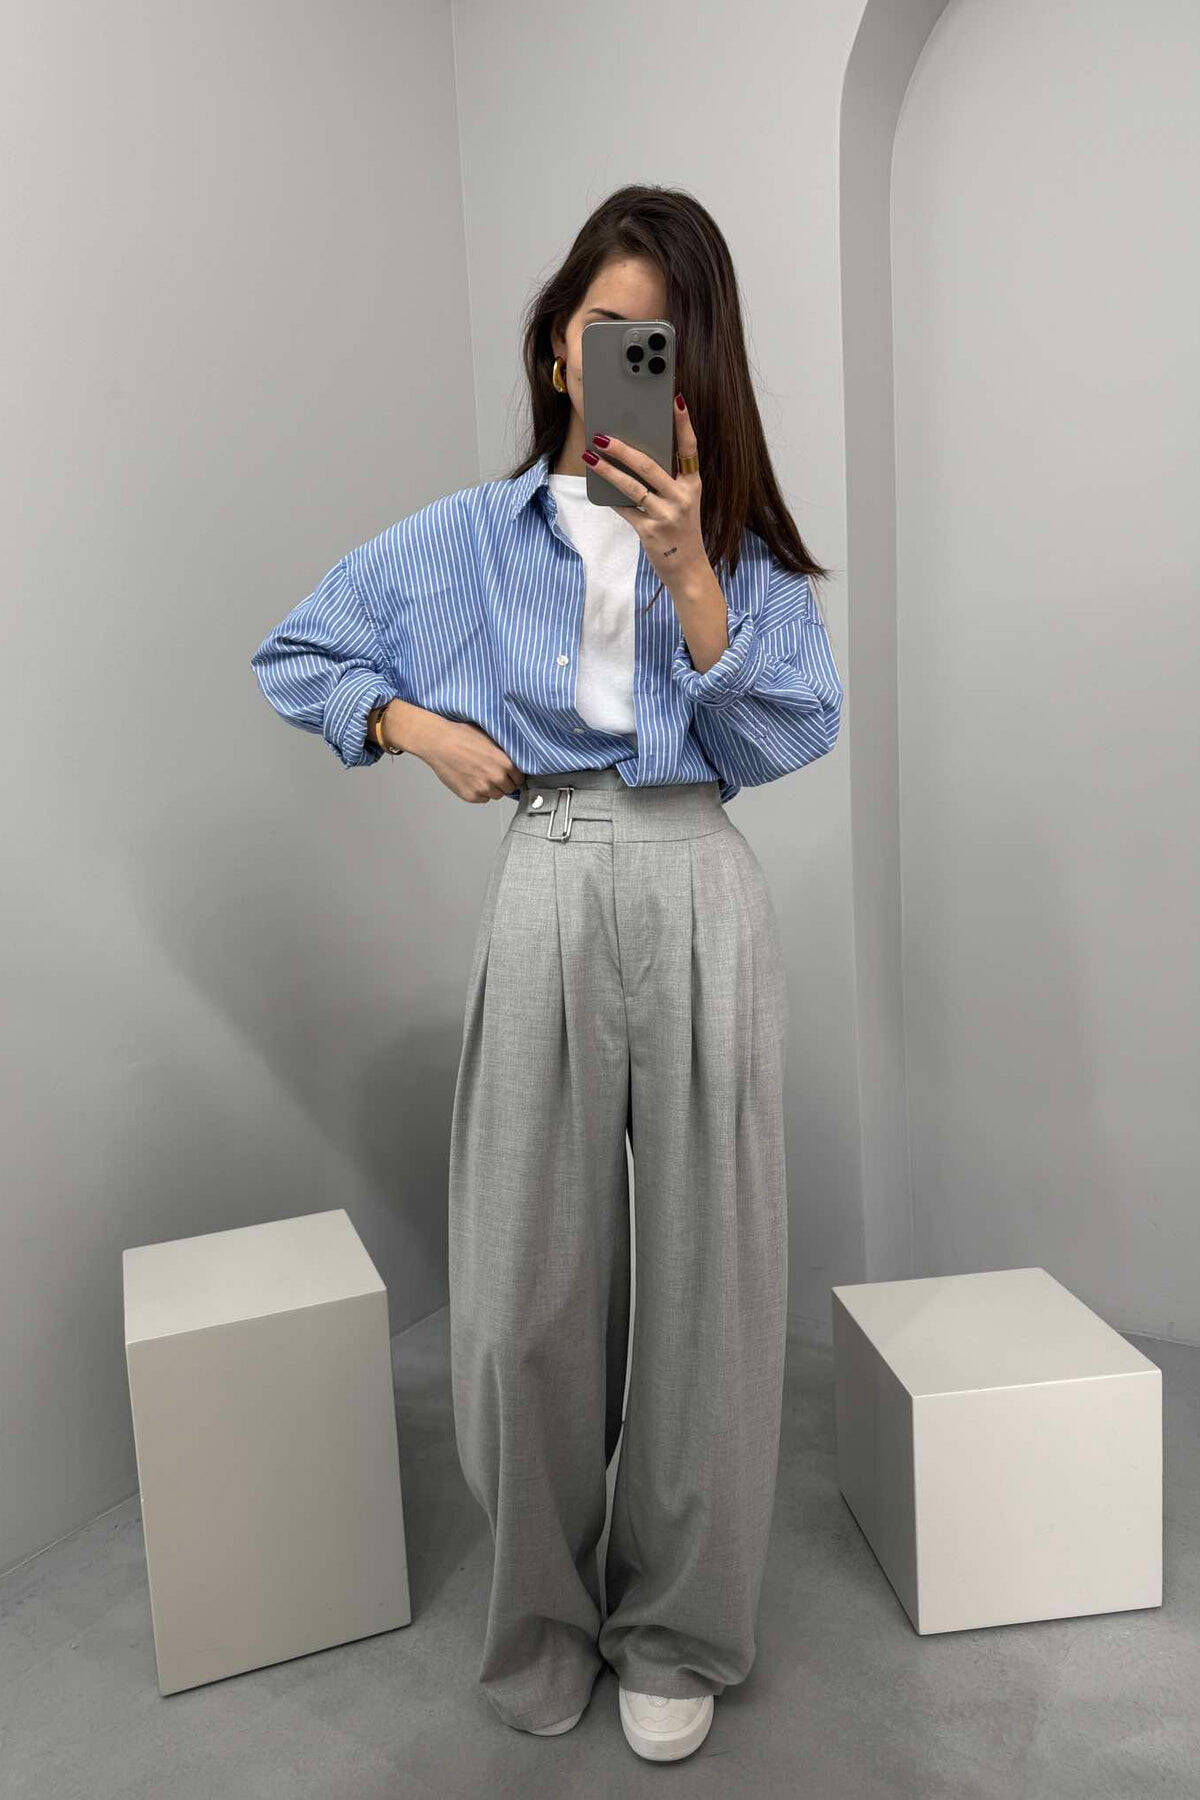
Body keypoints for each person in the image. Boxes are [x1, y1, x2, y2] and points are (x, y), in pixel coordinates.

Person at [250, 183, 843, 1763]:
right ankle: (541, 1618)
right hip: (552, 871)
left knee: (713, 1296)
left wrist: (691, 570)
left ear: (697, 366)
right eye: (606, 327)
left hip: (700, 875)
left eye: (663, 339)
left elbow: (796, 726)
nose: (629, 359)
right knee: (524, 1295)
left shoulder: (733, 544)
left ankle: (679, 1628)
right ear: (556, 346)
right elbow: (299, 652)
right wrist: (413, 727)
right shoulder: (467, 537)